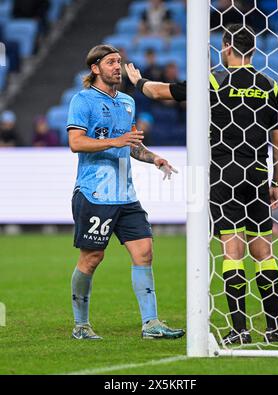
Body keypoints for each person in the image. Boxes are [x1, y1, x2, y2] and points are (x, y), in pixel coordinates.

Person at [67, 44, 185, 340]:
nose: (118, 67)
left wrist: (152, 157)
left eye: (119, 61)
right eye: (111, 62)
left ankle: (151, 323)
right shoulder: (82, 101)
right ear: (95, 68)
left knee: (144, 252)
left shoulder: (128, 102)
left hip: (126, 194)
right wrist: (117, 141)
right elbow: (76, 143)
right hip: (95, 192)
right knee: (92, 258)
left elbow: (130, 144)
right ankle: (81, 325)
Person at [209, 24, 278, 344]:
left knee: (232, 251)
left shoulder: (215, 80)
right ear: (254, 51)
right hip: (258, 175)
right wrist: (277, 180)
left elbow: (167, 92)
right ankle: (274, 327)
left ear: (227, 48)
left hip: (224, 174)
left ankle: (239, 330)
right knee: (263, 250)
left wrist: (141, 82)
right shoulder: (271, 86)